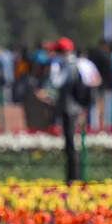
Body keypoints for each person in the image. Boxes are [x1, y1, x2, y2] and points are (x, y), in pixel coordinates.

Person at [45, 37, 96, 182]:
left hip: (70, 108)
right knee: (70, 143)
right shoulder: (74, 64)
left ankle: (74, 178)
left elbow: (56, 82)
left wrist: (53, 67)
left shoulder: (69, 65)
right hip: (73, 107)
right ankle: (73, 176)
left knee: (71, 144)